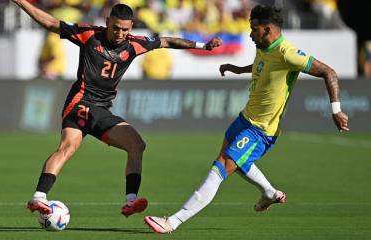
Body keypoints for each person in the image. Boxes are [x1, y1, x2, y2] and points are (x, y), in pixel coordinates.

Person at [144, 4, 349, 233]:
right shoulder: (264, 45)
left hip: (260, 131)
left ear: (268, 29)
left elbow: (328, 72)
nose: (250, 35)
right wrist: (237, 69)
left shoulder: (288, 53)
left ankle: (173, 221)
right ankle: (270, 193)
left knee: (221, 167)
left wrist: (336, 110)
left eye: (254, 29)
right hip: (244, 118)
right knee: (239, 164)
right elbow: (262, 66)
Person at [11, 0, 222, 218]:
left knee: (136, 145)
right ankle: (39, 197)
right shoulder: (89, 34)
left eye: (125, 29)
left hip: (102, 110)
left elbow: (167, 41)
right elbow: (50, 23)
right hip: (80, 103)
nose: (120, 33)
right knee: (68, 147)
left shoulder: (134, 44)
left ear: (130, 27)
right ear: (107, 22)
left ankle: (130, 201)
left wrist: (202, 46)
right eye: (116, 28)